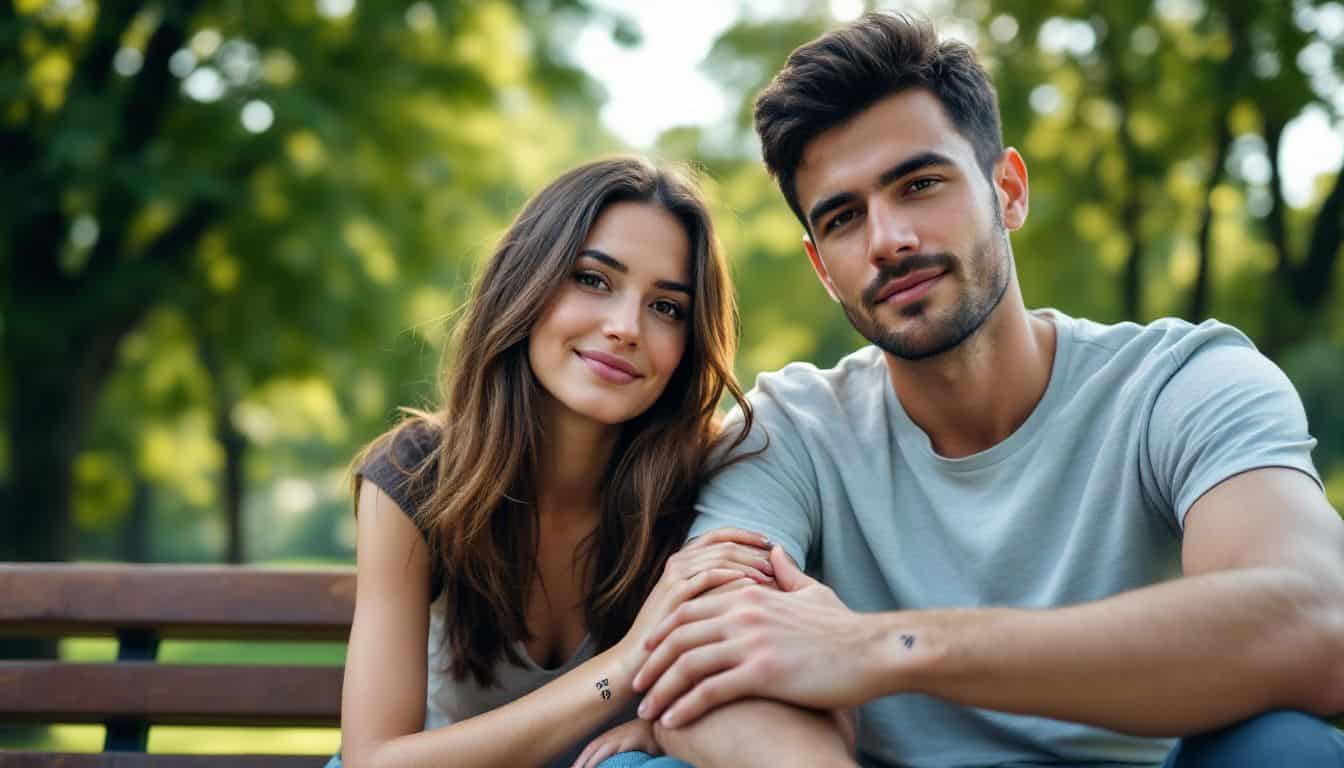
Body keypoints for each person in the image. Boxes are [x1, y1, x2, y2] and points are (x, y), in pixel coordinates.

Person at [627, 13, 1344, 768]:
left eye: (920, 183)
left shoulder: (1181, 383)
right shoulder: (789, 430)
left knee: (1285, 749)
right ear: (821, 266)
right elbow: (694, 665)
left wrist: (891, 647)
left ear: (1007, 190)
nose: (888, 240)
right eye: (844, 218)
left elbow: (1320, 621)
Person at [331, 157, 774, 768]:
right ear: (527, 283)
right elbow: (373, 762)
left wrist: (664, 731)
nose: (625, 328)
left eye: (666, 307)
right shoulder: (416, 478)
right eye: (594, 279)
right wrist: (624, 665)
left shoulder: (710, 479)